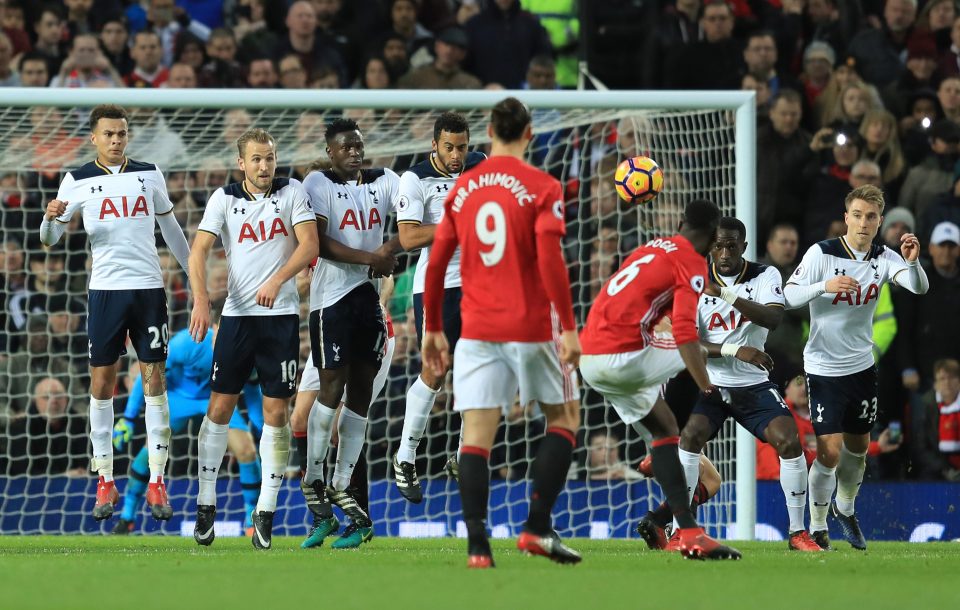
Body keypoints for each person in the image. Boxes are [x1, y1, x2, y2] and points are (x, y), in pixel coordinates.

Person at [422, 97, 581, 568]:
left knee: (476, 436)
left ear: (489, 131)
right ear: (529, 133)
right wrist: (569, 327)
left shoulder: (462, 188)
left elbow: (435, 263)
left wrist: (432, 327)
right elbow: (551, 260)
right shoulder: (542, 186)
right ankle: (535, 527)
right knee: (565, 417)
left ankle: (477, 547)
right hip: (531, 325)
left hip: (475, 327)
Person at [39, 104, 191, 522]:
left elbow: (172, 229)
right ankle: (105, 479)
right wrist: (49, 219)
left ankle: (158, 482)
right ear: (94, 137)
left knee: (154, 380)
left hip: (148, 290)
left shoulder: (149, 173)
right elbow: (49, 238)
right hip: (105, 292)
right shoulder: (77, 180)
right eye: (108, 134)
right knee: (102, 382)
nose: (116, 140)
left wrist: (192, 275)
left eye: (122, 133)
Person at [578, 198, 741, 561]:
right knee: (695, 351)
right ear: (715, 236)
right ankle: (665, 449)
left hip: (590, 357)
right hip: (624, 355)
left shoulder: (650, 248)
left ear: (681, 221)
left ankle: (688, 531)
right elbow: (683, 330)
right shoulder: (692, 262)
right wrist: (706, 387)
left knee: (665, 428)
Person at [188, 128, 318, 550]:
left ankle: (265, 510)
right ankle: (205, 504)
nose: (265, 166)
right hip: (238, 317)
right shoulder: (224, 199)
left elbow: (310, 245)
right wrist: (202, 300)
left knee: (276, 412)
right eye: (256, 159)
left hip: (279, 318)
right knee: (219, 406)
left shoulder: (293, 191)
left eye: (270, 158)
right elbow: (198, 251)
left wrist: (278, 279)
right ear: (241, 163)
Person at [784, 184, 929, 551]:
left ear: (879, 221)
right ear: (846, 217)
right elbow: (788, 296)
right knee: (829, 450)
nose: (864, 223)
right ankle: (817, 526)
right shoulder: (822, 253)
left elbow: (918, 288)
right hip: (822, 366)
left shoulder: (884, 257)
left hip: (861, 367)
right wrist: (823, 286)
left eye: (871, 217)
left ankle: (845, 507)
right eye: (858, 215)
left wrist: (912, 263)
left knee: (859, 447)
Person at [678, 217, 822, 552]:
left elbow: (773, 318)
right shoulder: (693, 280)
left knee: (789, 441)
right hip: (709, 382)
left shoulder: (765, 274)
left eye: (731, 245)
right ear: (709, 246)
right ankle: (678, 529)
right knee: (690, 436)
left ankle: (798, 533)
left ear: (744, 247)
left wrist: (726, 294)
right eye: (718, 245)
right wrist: (734, 349)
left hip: (753, 384)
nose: (724, 252)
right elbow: (689, 342)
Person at [300, 118, 401, 549]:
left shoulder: (387, 181)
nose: (354, 152)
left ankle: (340, 488)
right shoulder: (316, 182)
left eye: (358, 145)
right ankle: (314, 483)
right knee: (326, 394)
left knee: (358, 397)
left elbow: (412, 225)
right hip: (330, 302)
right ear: (330, 150)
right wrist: (371, 257)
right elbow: (319, 243)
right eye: (345, 147)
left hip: (368, 303)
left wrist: (389, 251)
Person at [393, 111, 485, 503]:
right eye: (448, 147)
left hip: (479, 284)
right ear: (434, 144)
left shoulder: (480, 166)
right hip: (437, 285)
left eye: (462, 147)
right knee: (436, 370)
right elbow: (410, 237)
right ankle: (405, 457)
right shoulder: (415, 179)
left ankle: (464, 456)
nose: (456, 155)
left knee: (481, 369)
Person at [110, 304, 263, 535]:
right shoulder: (188, 342)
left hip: (217, 399)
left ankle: (253, 520)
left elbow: (253, 394)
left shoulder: (245, 354)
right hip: (179, 398)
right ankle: (127, 515)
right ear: (215, 326)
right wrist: (129, 418)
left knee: (246, 450)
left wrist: (263, 428)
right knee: (151, 452)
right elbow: (150, 373)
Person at [292, 277, 397, 550]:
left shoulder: (351, 237)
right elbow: (301, 285)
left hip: (366, 329)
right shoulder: (309, 242)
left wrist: (380, 304)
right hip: (330, 327)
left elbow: (387, 278)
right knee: (300, 419)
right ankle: (322, 515)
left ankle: (359, 518)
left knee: (341, 428)